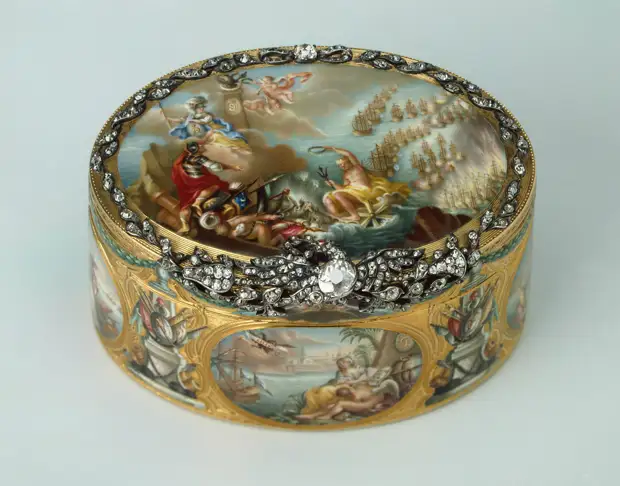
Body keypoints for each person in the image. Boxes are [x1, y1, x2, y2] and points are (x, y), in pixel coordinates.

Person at [315, 146, 411, 222]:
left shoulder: (358, 167)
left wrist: (332, 149)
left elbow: (348, 154)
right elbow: (344, 188)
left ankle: (355, 216)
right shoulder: (345, 175)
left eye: (344, 163)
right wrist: (333, 184)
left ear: (350, 162)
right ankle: (336, 217)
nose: (342, 166)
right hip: (352, 192)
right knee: (328, 197)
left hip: (364, 191)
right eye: (340, 165)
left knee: (337, 194)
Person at [170, 142, 242, 235]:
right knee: (217, 185)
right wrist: (232, 167)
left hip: (188, 186)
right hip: (198, 183)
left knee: (185, 206)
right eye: (200, 145)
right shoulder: (198, 157)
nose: (203, 146)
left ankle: (185, 226)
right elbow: (216, 167)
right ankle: (197, 203)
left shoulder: (185, 158)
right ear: (196, 149)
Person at [168, 96, 250, 154]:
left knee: (218, 136)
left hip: (214, 128)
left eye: (202, 107)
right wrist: (171, 119)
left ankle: (238, 147)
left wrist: (194, 121)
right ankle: (233, 147)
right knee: (213, 137)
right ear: (195, 109)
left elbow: (204, 121)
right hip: (204, 132)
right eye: (199, 108)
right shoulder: (190, 116)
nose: (202, 109)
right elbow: (182, 120)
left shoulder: (207, 115)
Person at [243, 73, 312, 115]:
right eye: (264, 80)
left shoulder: (273, 84)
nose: (265, 82)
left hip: (277, 92)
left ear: (270, 81)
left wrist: (269, 85)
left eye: (267, 80)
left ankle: (289, 100)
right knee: (281, 97)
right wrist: (258, 90)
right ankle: (285, 102)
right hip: (273, 95)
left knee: (287, 94)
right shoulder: (264, 85)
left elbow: (275, 86)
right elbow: (261, 87)